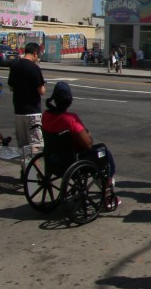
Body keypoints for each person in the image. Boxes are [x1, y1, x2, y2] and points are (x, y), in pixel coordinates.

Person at [41, 81, 119, 210]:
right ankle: (107, 191)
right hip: (72, 160)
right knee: (104, 153)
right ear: (69, 100)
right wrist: (87, 133)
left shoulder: (46, 115)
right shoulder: (71, 119)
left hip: (53, 159)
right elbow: (88, 144)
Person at [7, 42, 45, 152]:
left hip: (19, 110)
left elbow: (11, 87)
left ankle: (24, 168)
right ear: (35, 53)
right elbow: (41, 90)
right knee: (34, 144)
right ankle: (33, 169)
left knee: (23, 146)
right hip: (32, 112)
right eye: (38, 55)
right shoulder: (34, 68)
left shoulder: (15, 66)